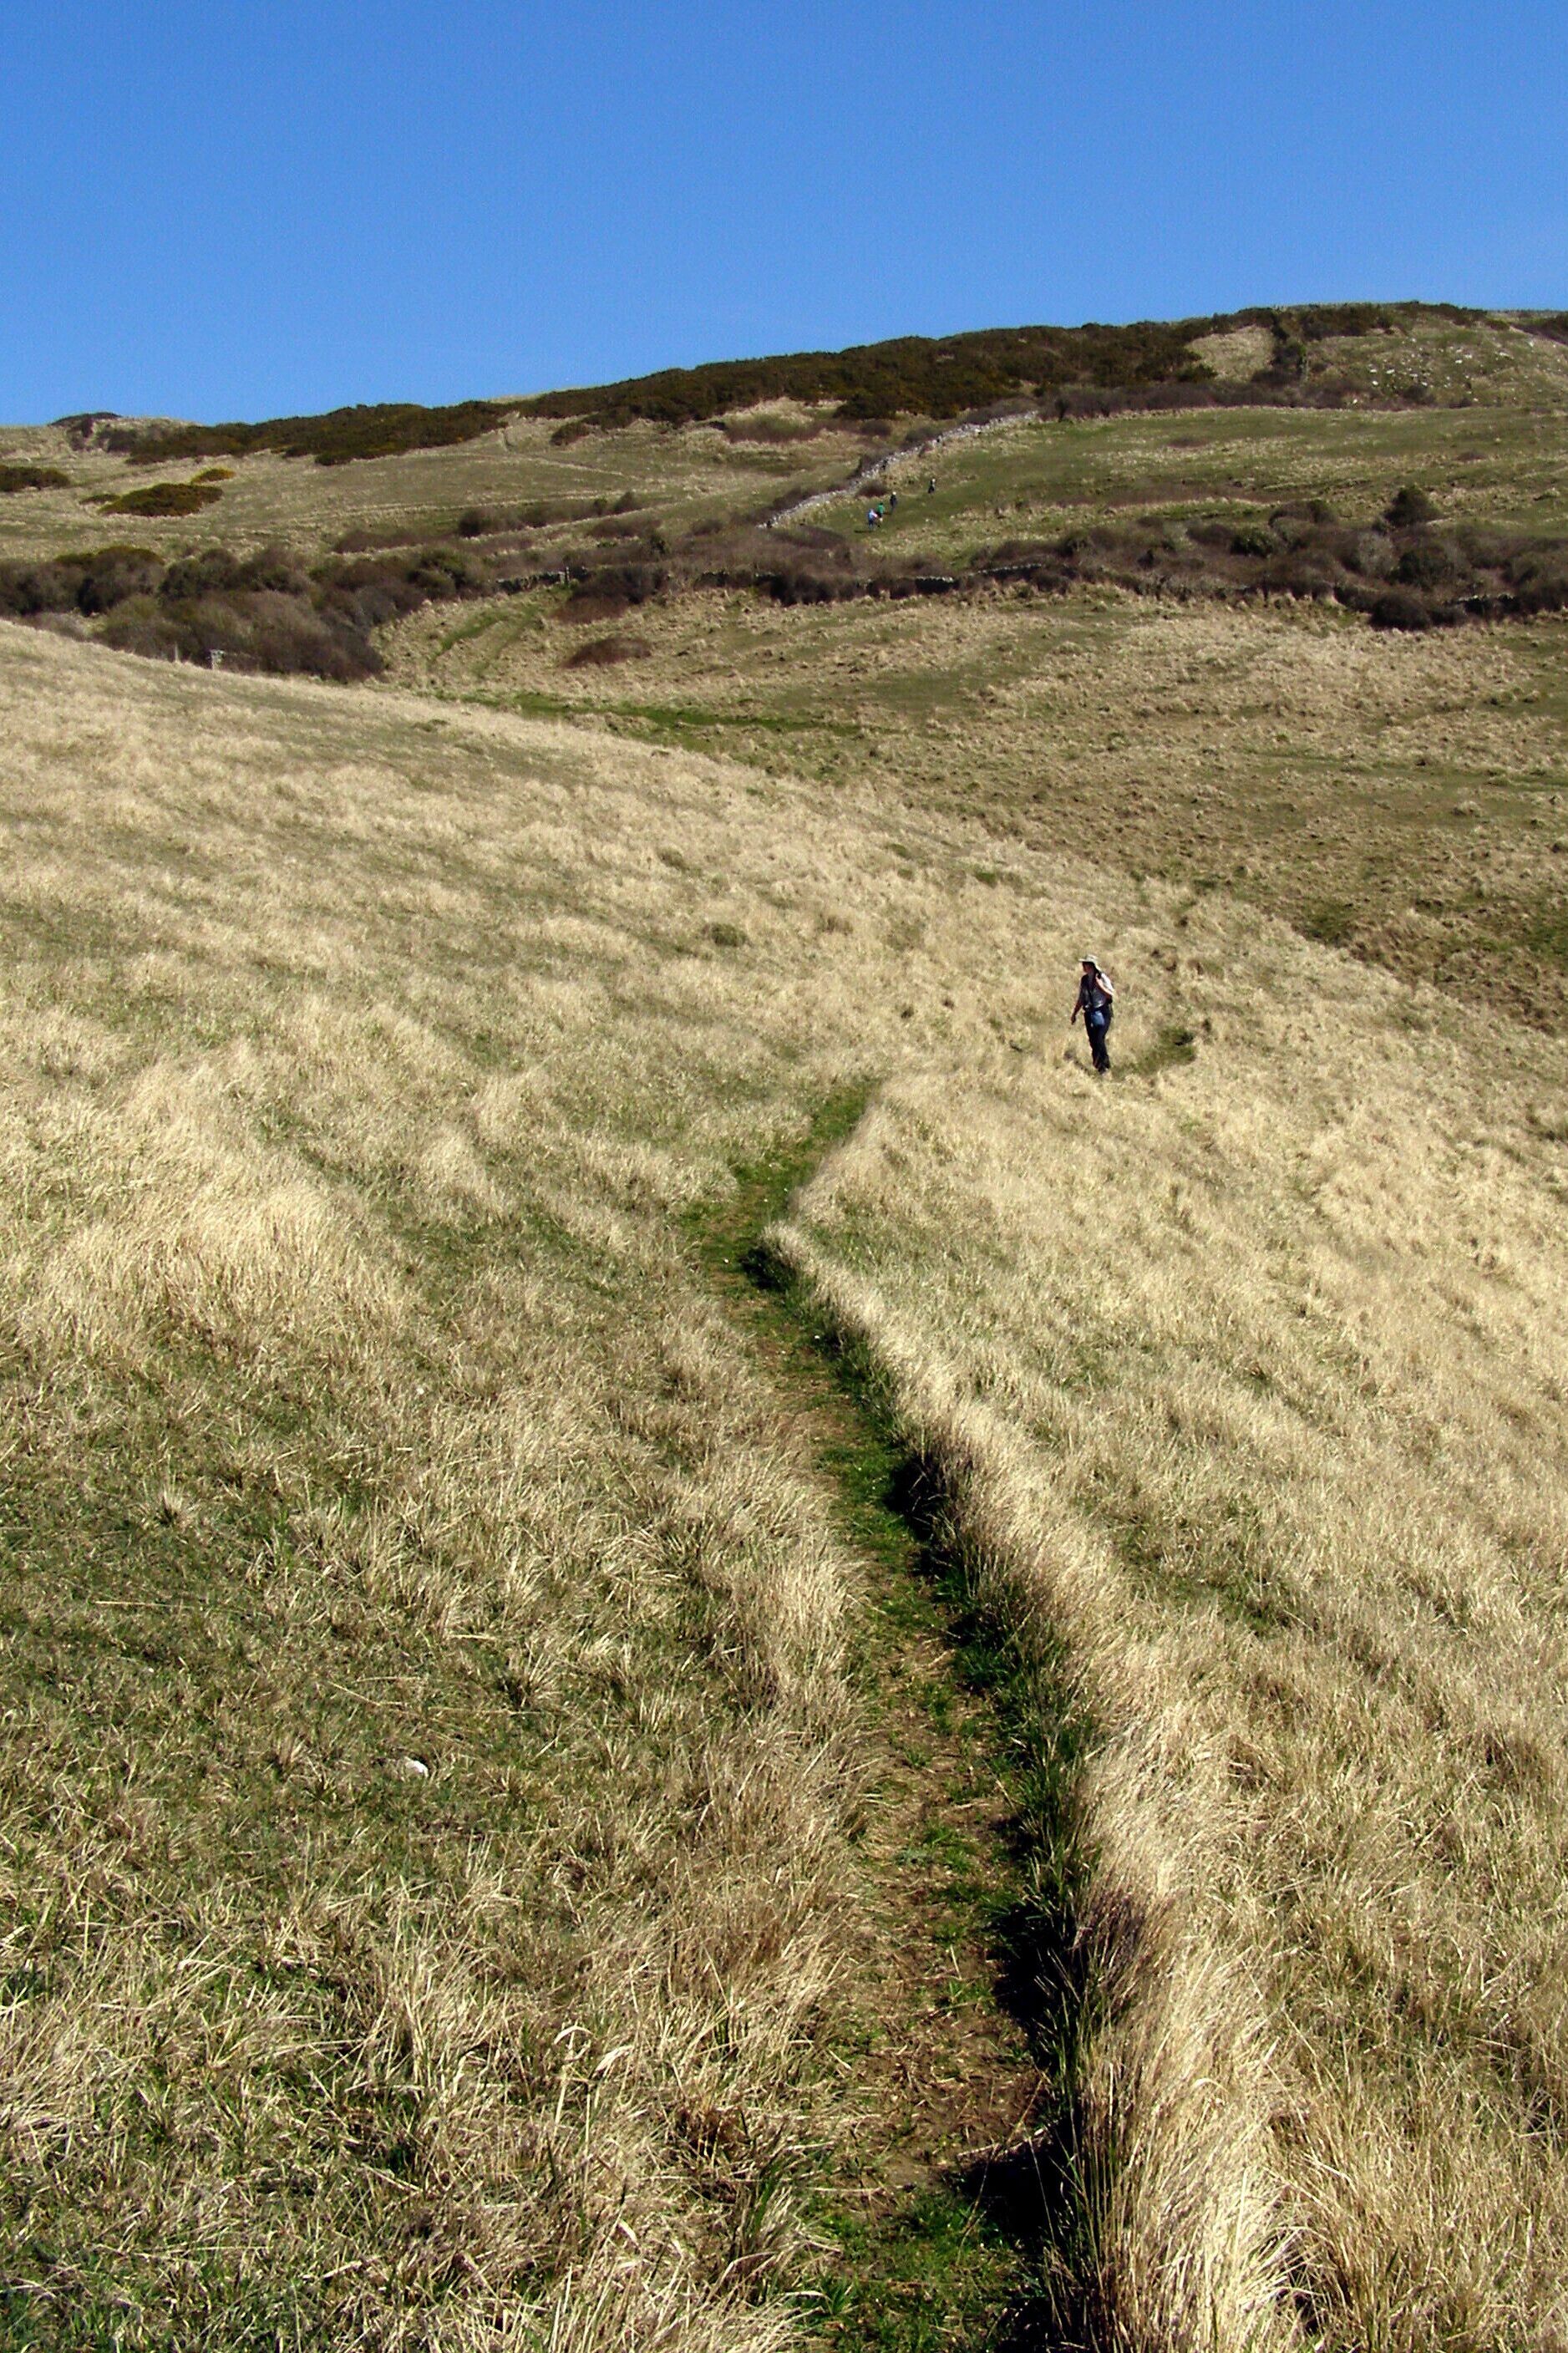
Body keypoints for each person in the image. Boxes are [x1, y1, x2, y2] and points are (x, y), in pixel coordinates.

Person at [1070, 957, 1114, 1073]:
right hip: (1090, 1013)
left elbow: (1110, 995)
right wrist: (1074, 1013)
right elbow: (1081, 998)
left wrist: (1100, 986)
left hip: (1103, 1012)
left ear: (1091, 966)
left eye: (1085, 964)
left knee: (1099, 1038)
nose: (1083, 967)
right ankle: (1099, 1065)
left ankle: (1105, 1065)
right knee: (1093, 1040)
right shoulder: (1084, 980)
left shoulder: (1102, 978)